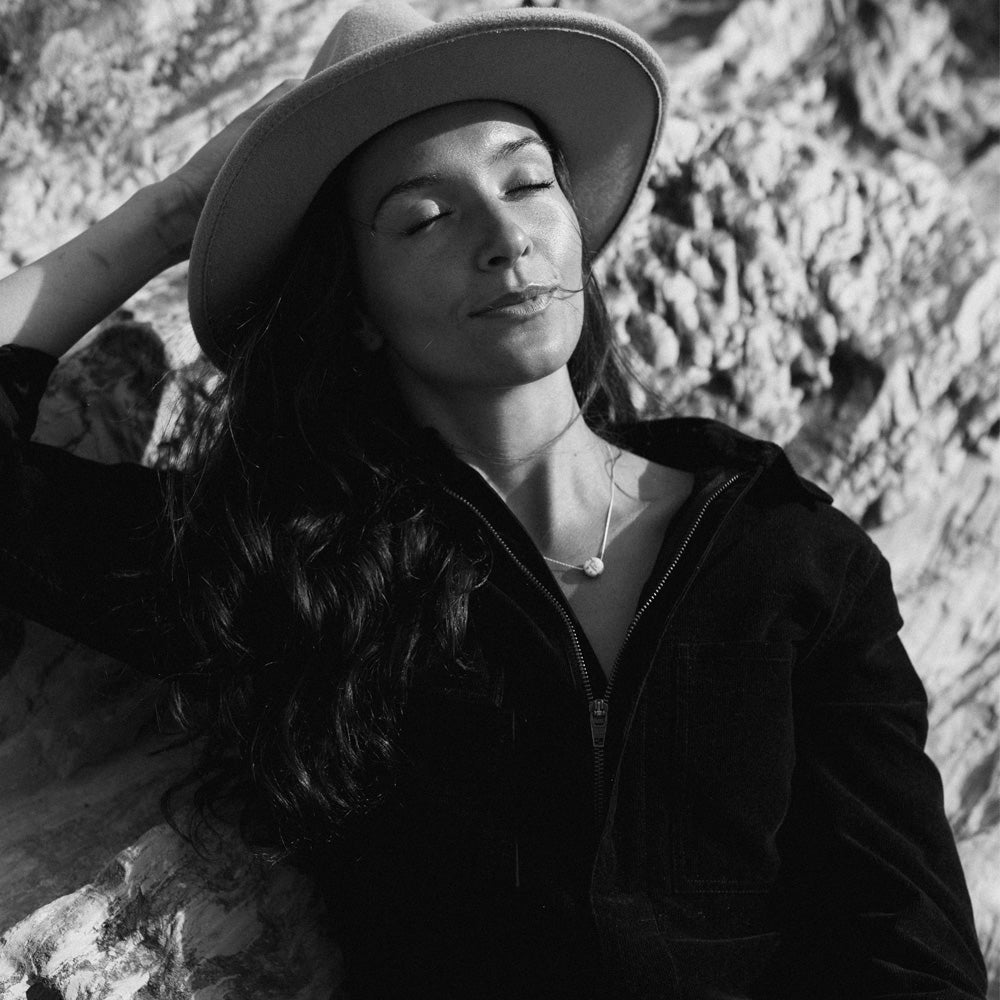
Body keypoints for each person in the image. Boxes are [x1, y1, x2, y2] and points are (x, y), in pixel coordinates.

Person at [0, 1, 988, 997]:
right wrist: (168, 215)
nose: (505, 236)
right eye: (425, 217)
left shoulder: (782, 552)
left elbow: (910, 947)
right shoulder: (300, 575)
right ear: (355, 310)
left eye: (526, 181)